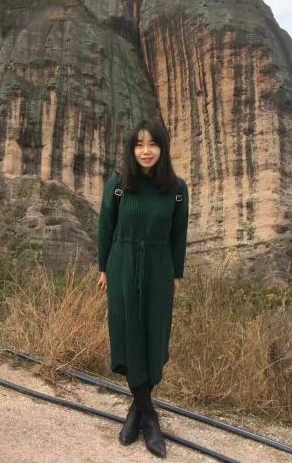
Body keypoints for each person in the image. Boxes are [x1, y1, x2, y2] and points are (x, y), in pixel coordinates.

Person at [97, 118, 189, 458]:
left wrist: (176, 273)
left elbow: (178, 234)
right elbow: (105, 227)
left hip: (159, 267)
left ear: (162, 148)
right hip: (122, 264)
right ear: (131, 149)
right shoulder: (119, 184)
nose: (146, 151)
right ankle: (150, 418)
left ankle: (138, 409)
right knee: (127, 334)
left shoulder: (176, 188)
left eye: (152, 144)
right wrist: (103, 268)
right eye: (139, 144)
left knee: (154, 336)